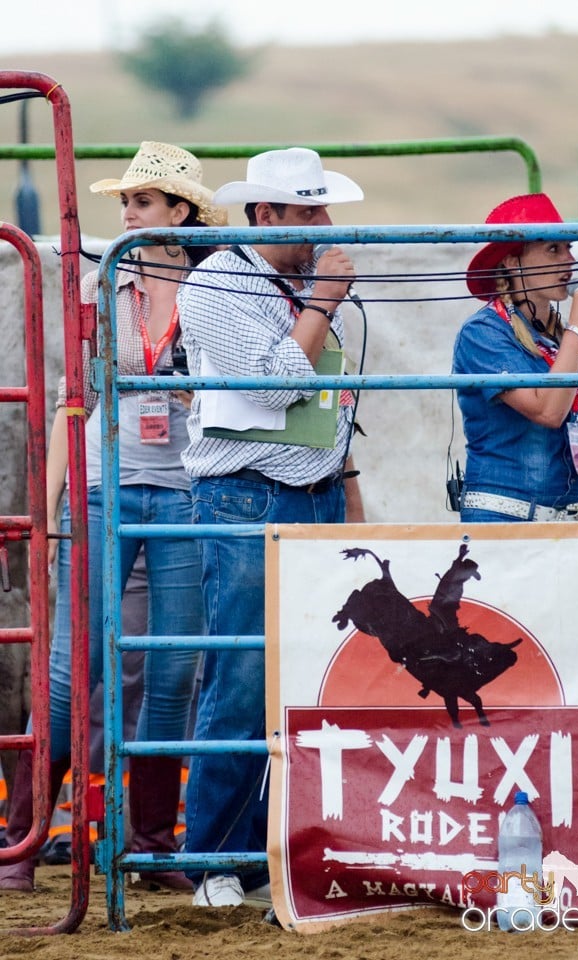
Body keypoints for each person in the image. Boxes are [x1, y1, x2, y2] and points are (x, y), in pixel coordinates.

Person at [0, 141, 227, 893]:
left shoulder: (218, 291)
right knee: (69, 672)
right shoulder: (108, 281)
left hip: (189, 489)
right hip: (109, 483)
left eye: (141, 202)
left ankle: (155, 845)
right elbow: (78, 397)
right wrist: (48, 503)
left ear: (179, 214)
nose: (125, 213)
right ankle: (24, 839)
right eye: (126, 201)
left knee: (170, 671)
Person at [177, 146, 366, 908]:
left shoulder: (281, 284)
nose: (323, 226)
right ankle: (214, 858)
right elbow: (281, 383)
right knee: (243, 676)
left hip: (304, 489)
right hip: (247, 495)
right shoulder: (220, 283)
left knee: (301, 675)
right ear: (267, 215)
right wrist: (322, 299)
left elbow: (329, 399)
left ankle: (258, 846)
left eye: (323, 211)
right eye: (309, 212)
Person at [452, 192, 578, 523]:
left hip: (572, 516)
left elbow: (563, 421)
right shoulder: (482, 333)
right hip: (505, 519)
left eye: (568, 248)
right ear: (511, 261)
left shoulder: (558, 334)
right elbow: (547, 412)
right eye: (553, 249)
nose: (569, 259)